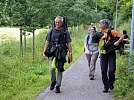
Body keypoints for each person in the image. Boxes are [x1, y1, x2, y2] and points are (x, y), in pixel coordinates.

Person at [43, 16, 73, 93]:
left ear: (62, 23)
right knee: (51, 69)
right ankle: (53, 81)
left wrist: (70, 54)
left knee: (60, 69)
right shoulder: (51, 31)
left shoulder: (65, 32)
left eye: (59, 22)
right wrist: (44, 52)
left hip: (61, 53)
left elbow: (68, 43)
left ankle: (58, 86)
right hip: (52, 52)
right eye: (56, 22)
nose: (57, 24)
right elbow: (47, 42)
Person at [99, 19, 123, 93]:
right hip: (103, 54)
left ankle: (111, 82)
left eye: (100, 23)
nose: (99, 25)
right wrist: (102, 38)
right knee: (103, 70)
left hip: (111, 53)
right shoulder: (99, 34)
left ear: (104, 25)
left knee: (111, 69)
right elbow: (96, 43)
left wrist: (118, 42)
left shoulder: (111, 31)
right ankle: (106, 86)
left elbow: (121, 36)